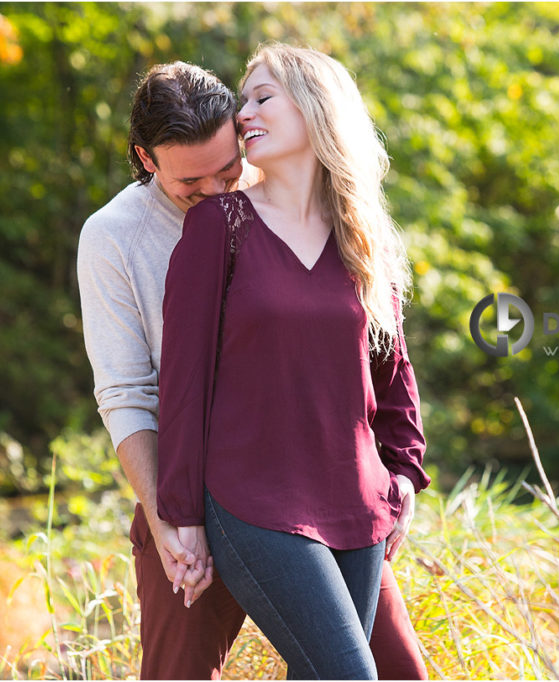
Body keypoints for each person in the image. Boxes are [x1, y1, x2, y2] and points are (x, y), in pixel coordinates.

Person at [77, 60, 428, 680]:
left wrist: (399, 475)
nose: (217, 189)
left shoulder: (309, 207)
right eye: (193, 180)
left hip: (331, 491)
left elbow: (382, 357)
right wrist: (170, 521)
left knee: (392, 670)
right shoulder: (118, 237)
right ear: (147, 159)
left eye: (228, 168)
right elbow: (135, 394)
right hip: (201, 487)